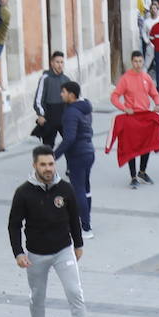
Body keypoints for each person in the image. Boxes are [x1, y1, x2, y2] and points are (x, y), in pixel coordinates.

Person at [9, 146, 93, 317]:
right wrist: (19, 253)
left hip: (63, 250)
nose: (48, 168)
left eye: (51, 164)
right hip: (36, 254)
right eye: (43, 164)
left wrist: (78, 244)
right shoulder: (23, 193)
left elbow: (75, 217)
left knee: (75, 292)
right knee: (37, 295)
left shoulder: (65, 189)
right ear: (35, 165)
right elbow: (14, 225)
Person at [109, 51, 159, 188]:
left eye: (140, 61)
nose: (138, 64)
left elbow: (154, 94)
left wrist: (157, 104)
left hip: (145, 116)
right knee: (130, 147)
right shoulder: (125, 79)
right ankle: (133, 176)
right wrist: (123, 108)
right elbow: (114, 96)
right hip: (131, 117)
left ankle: (142, 172)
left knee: (147, 144)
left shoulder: (146, 77)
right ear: (131, 62)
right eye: (135, 61)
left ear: (143, 62)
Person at [53, 80, 94, 239]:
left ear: (71, 94)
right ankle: (86, 221)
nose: (61, 95)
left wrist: (54, 155)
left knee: (79, 190)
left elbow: (69, 138)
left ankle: (85, 227)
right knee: (86, 188)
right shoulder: (85, 108)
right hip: (88, 152)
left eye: (63, 92)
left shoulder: (71, 112)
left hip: (77, 155)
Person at [32, 52, 71, 148]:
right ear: (52, 63)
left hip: (64, 117)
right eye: (57, 62)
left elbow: (72, 100)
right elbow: (38, 100)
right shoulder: (45, 78)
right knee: (47, 148)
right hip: (49, 117)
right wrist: (41, 115)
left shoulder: (66, 80)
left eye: (62, 62)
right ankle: (48, 162)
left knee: (71, 145)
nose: (60, 65)